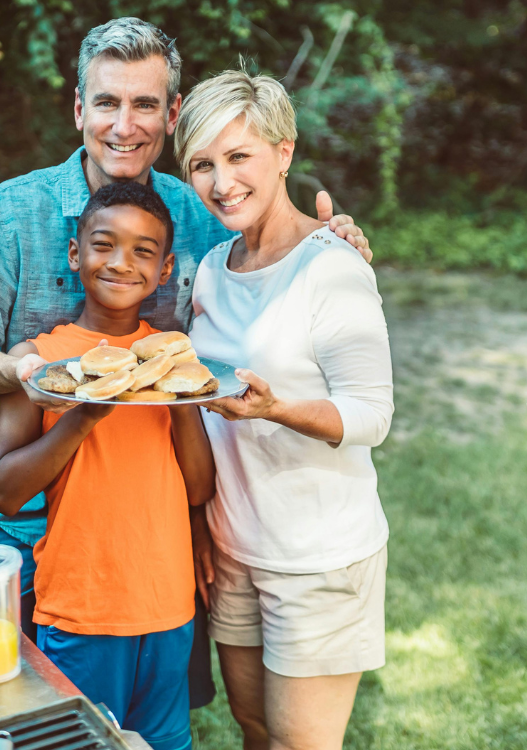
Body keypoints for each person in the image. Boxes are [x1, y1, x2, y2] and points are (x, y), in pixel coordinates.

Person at [0, 17, 371, 709]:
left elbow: (274, 264)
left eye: (144, 104)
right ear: (78, 109)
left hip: (151, 533)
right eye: (106, 103)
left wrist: (331, 240)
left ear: (172, 113)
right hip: (30, 526)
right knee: (21, 719)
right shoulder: (12, 212)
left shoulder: (201, 216)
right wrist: (21, 373)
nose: (123, 125)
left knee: (151, 720)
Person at [174, 69, 395, 750]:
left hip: (319, 558)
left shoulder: (330, 266)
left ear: (284, 152)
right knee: (255, 729)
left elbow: (370, 416)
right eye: (203, 164)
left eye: (239, 157)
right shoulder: (211, 268)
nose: (221, 181)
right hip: (236, 548)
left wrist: (277, 409)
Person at [0, 181, 215, 750]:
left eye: (143, 251)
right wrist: (86, 414)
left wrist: (175, 383)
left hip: (167, 606)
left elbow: (199, 485)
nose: (120, 262)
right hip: (81, 607)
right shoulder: (37, 363)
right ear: (75, 253)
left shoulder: (172, 355)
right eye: (104, 244)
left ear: (165, 270)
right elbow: (5, 493)